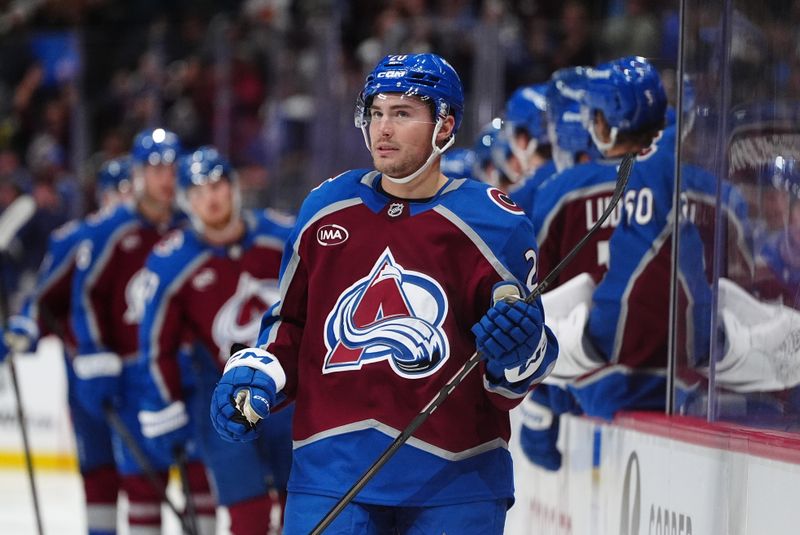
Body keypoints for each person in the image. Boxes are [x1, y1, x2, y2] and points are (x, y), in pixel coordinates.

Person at [209, 53, 559, 534]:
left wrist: (518, 351)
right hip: (331, 472)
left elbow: (515, 380)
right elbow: (288, 324)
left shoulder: (495, 223)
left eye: (402, 113)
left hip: (455, 479)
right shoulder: (326, 209)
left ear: (444, 124)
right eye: (376, 113)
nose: (383, 129)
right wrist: (256, 374)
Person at [134, 146, 295, 534]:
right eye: (198, 191)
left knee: (301, 508)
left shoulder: (284, 237)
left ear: (234, 187)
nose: (211, 197)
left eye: (218, 185)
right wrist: (164, 402)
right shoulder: (172, 260)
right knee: (249, 516)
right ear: (187, 202)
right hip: (224, 402)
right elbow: (156, 343)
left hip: (292, 396)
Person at [71, 128, 216, 534]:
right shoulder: (111, 230)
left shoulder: (193, 226)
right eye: (155, 168)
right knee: (143, 480)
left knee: (203, 475)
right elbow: (85, 297)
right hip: (134, 375)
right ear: (137, 173)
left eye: (172, 166)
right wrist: (95, 355)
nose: (165, 177)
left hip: (190, 371)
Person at [0, 156, 133, 534]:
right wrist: (23, 328)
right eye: (117, 192)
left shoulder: (164, 236)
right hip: (85, 379)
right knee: (99, 473)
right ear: (104, 197)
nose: (124, 201)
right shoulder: (78, 238)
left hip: (144, 374)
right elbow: (41, 302)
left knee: (147, 478)